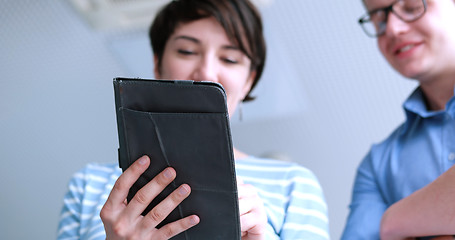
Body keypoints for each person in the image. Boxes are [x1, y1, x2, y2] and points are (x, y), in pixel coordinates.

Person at [57, 0, 329, 239]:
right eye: (187, 51)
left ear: (249, 82)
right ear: (157, 63)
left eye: (230, 58)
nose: (206, 72)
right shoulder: (88, 184)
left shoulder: (293, 184)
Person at [341, 0, 455, 239]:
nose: (393, 29)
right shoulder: (377, 166)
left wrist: (394, 221)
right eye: (379, 18)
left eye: (413, 7)